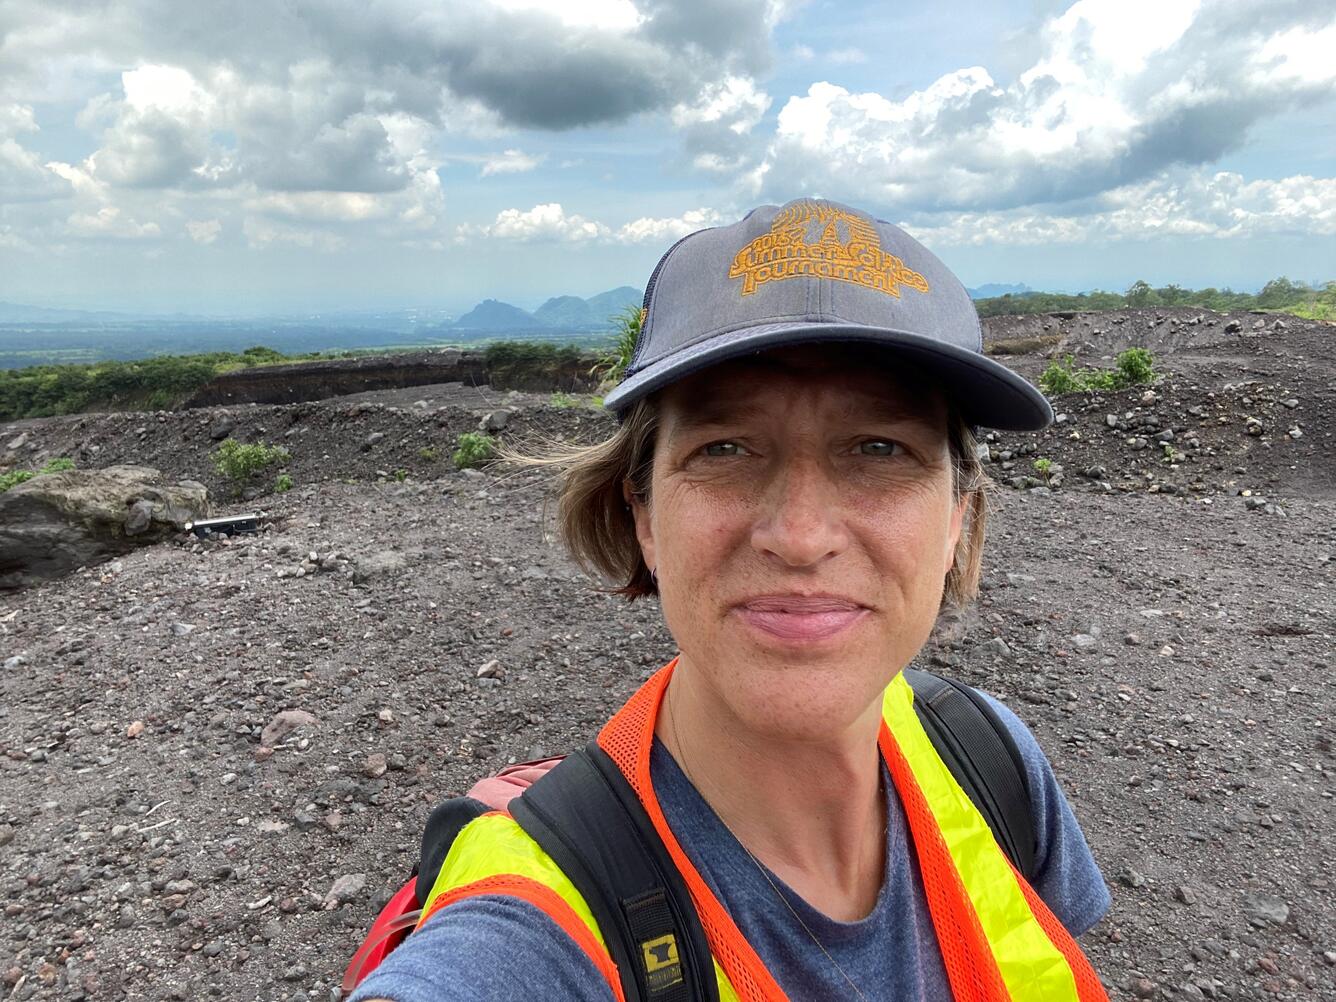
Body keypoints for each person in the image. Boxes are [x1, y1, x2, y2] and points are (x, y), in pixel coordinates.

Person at [350, 198, 1110, 1002]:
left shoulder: (991, 761)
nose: (801, 536)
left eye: (881, 448)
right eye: (725, 448)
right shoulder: (529, 931)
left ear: (957, 516)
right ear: (643, 516)